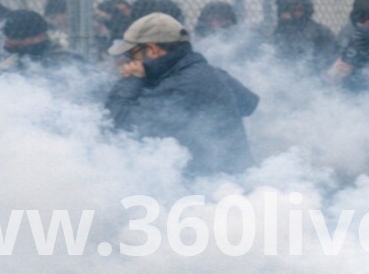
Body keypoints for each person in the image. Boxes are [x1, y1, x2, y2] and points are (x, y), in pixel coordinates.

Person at [105, 12, 260, 177]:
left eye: (131, 54)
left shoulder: (180, 85)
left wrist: (131, 78)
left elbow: (117, 124)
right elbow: (248, 104)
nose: (127, 61)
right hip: (231, 178)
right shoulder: (204, 71)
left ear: (152, 49)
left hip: (211, 188)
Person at [267, 0, 339, 72]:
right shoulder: (281, 28)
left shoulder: (315, 31)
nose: (284, 14)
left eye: (296, 9)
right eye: (284, 10)